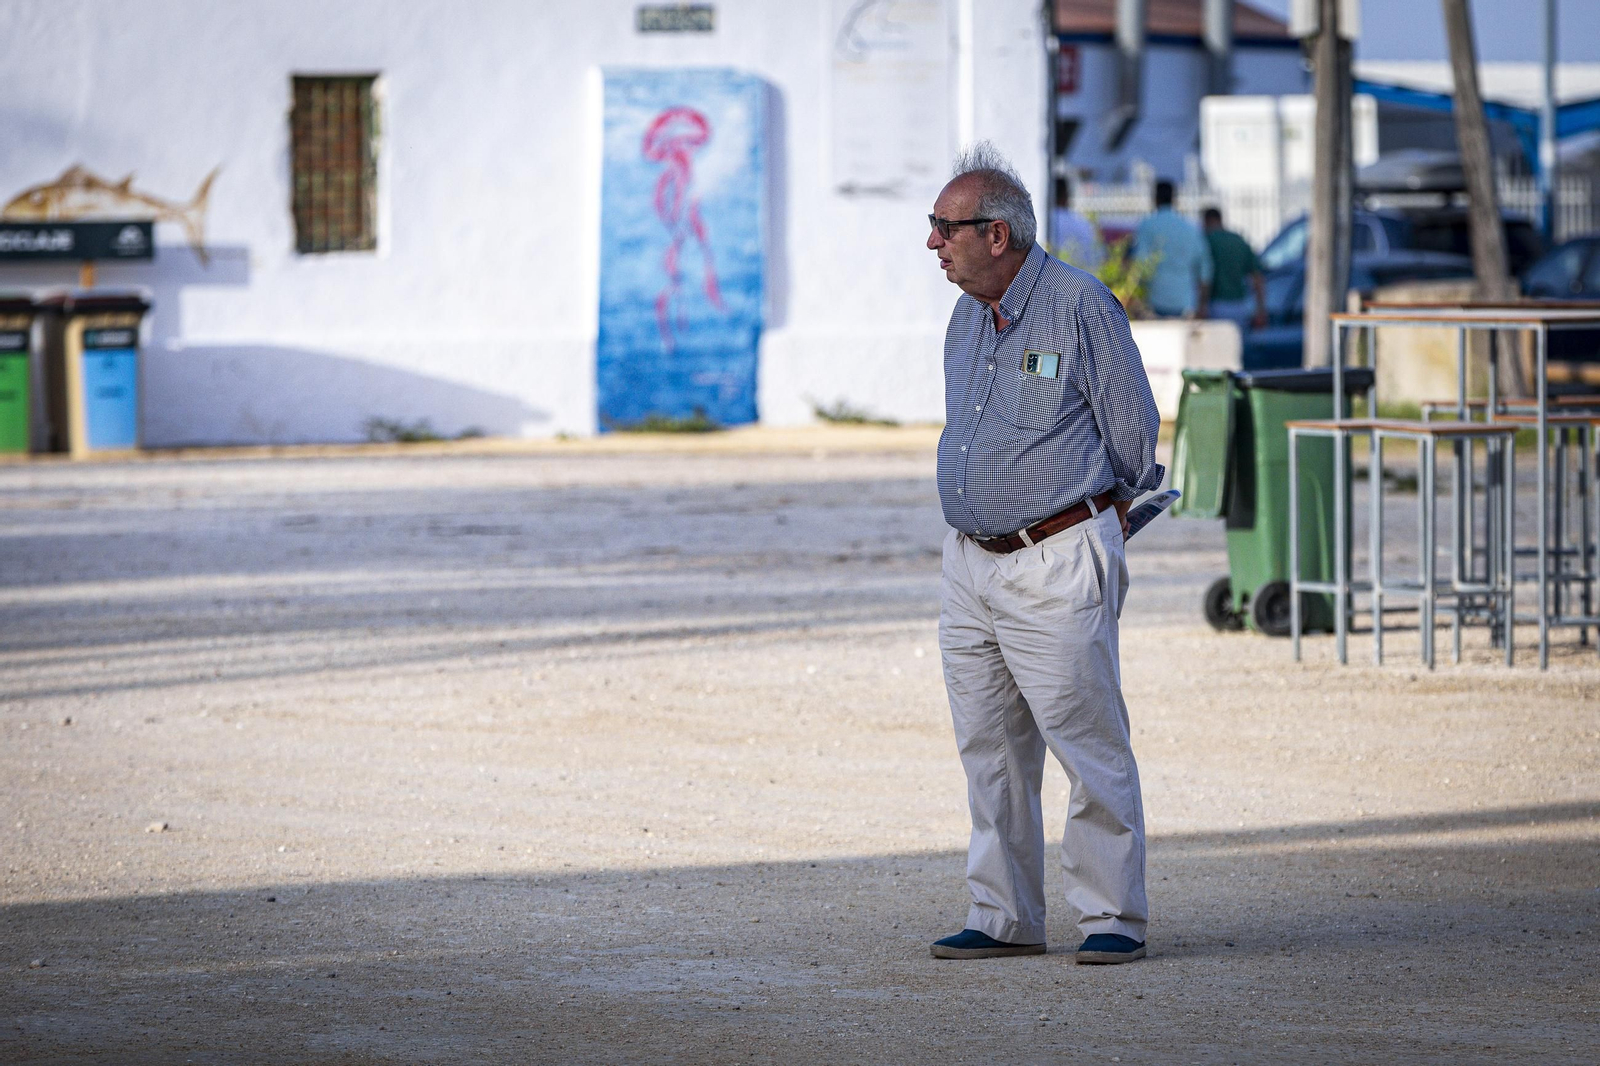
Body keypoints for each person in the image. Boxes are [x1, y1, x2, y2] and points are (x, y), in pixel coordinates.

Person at [924, 142, 1163, 965]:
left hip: (1056, 556)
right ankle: (1003, 916)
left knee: (1086, 740)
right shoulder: (964, 317)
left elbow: (1133, 429)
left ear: (998, 234)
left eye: (945, 227)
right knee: (988, 745)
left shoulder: (1080, 305)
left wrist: (1104, 516)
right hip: (971, 564)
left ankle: (1111, 919)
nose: (933, 244)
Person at [1132, 179, 1211, 319]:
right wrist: (1203, 304)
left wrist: (1136, 301)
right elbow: (1205, 270)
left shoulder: (1147, 225)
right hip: (1185, 302)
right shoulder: (1190, 228)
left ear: (1155, 199)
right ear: (1174, 200)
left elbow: (1139, 264)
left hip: (1154, 301)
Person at [1202, 207, 1268, 330]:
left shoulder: (1207, 241)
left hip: (1216, 304)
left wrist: (1202, 306)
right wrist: (1261, 309)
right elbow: (1257, 278)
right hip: (1240, 305)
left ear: (1206, 221)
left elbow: (1204, 278)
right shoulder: (1239, 240)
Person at [1049, 177, 1102, 270]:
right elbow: (1100, 257)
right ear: (1066, 196)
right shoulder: (1083, 222)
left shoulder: (1047, 222)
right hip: (1087, 278)